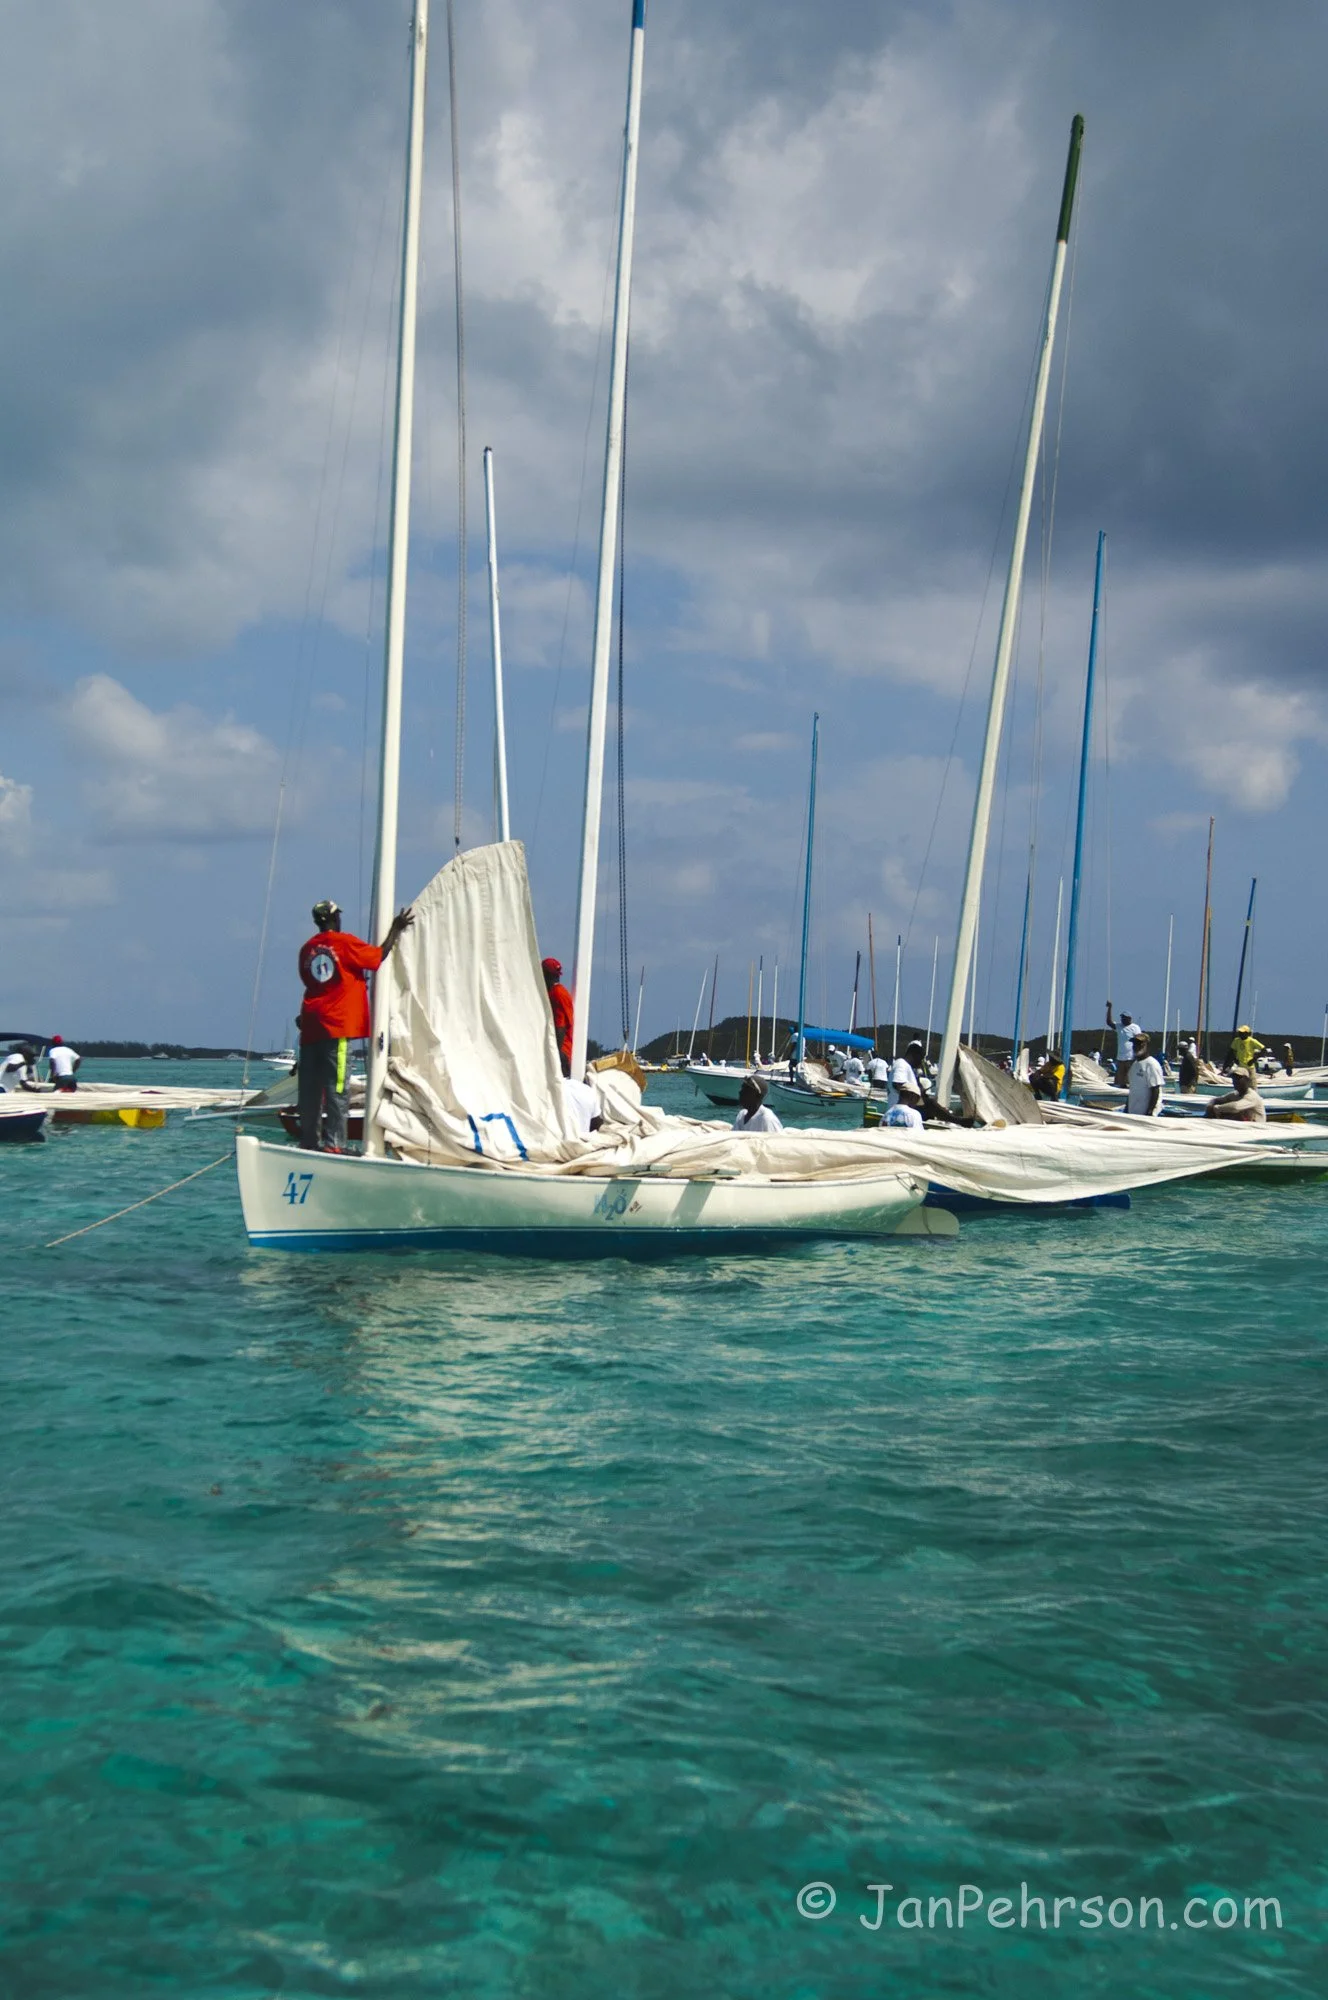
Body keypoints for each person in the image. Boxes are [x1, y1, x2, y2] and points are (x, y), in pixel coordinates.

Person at [297, 897, 413, 1152]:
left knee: (310, 1089)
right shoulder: (344, 942)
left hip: (310, 1025)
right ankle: (334, 1145)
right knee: (337, 1087)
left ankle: (308, 1142)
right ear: (333, 919)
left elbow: (318, 982)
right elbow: (376, 957)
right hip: (337, 1026)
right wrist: (396, 928)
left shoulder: (307, 949)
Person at [542, 958, 575, 1078]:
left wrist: (555, 1054)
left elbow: (560, 1027)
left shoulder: (557, 994)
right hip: (561, 1051)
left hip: (562, 1051)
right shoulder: (557, 992)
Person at [1125, 1033, 1165, 1116]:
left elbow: (1155, 1089)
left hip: (1146, 1114)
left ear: (1147, 1045)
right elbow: (1132, 1089)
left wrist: (1150, 1111)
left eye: (1140, 1044)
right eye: (1134, 1044)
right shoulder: (1134, 1064)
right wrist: (1126, 1109)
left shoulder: (1151, 1064)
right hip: (1133, 1112)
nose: (1136, 1046)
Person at [1105, 1003, 1145, 1086]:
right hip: (1120, 1058)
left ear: (1129, 1018)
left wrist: (1139, 1055)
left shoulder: (1135, 1027)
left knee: (1130, 1080)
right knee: (1119, 1081)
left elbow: (1140, 1041)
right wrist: (1109, 1008)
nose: (1122, 1019)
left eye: (1124, 1017)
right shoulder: (1119, 1026)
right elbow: (1109, 1022)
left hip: (1130, 1058)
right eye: (1122, 1017)